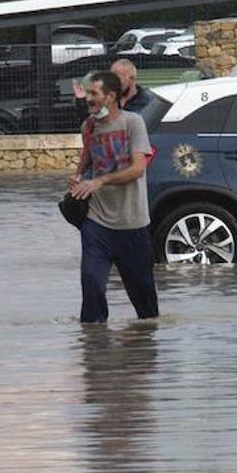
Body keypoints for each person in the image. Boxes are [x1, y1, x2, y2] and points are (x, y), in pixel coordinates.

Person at [67, 71, 159, 324]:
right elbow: (86, 163)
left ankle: (142, 355)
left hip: (133, 224)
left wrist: (100, 180)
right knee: (92, 286)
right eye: (87, 93)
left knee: (146, 307)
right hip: (97, 223)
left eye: (94, 94)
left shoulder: (133, 123)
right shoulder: (88, 126)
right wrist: (77, 178)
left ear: (111, 96)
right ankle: (95, 351)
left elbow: (138, 168)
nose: (88, 99)